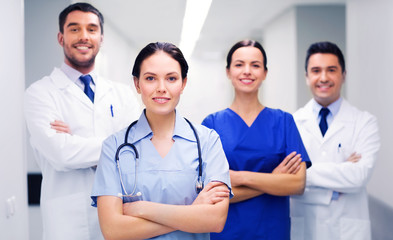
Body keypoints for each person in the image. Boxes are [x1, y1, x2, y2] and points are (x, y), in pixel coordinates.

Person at [91, 42, 232, 240]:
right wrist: (192, 212)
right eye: (150, 78)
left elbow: (215, 220)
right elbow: (113, 231)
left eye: (171, 78)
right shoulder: (113, 147)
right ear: (137, 84)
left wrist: (142, 208)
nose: (161, 88)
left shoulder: (208, 141)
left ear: (183, 84)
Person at [24, 3, 140, 239]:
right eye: (74, 29)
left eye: (91, 29)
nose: (84, 36)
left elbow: (135, 152)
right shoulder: (39, 93)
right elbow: (61, 154)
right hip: (66, 221)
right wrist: (116, 146)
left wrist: (74, 141)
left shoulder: (123, 94)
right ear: (61, 37)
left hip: (118, 213)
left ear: (101, 37)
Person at [202, 39, 311, 240]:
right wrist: (274, 179)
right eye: (239, 64)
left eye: (255, 65)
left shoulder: (284, 121)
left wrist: (239, 177)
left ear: (265, 73)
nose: (247, 71)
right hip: (227, 232)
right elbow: (211, 195)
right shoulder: (212, 124)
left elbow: (297, 184)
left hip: (273, 232)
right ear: (228, 72)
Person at [290, 41, 380, 240]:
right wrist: (341, 171)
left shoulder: (364, 122)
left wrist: (302, 173)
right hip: (305, 227)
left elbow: (359, 176)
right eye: (316, 70)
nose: (323, 78)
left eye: (331, 70)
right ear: (307, 77)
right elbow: (285, 180)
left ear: (343, 75)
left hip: (347, 230)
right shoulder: (292, 123)